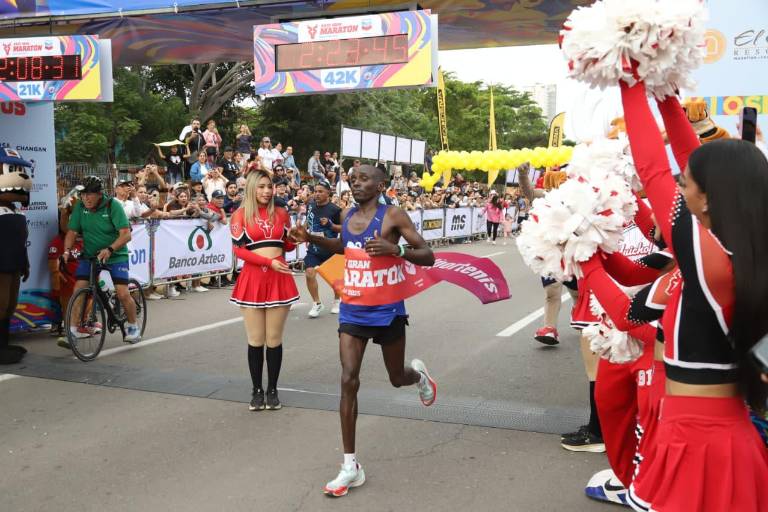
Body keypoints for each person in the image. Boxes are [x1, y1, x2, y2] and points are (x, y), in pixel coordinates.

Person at [609, 69, 768, 512]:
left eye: (686, 183)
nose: (677, 186)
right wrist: (665, 95)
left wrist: (628, 76)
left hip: (702, 442)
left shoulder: (712, 262)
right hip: (710, 431)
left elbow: (653, 167)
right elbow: (689, 161)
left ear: (709, 197)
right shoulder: (741, 254)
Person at [290, 164, 438, 497]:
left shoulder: (393, 216)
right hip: (354, 308)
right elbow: (343, 246)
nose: (355, 183)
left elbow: (428, 255)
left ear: (380, 184)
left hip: (387, 310)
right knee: (348, 379)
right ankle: (350, 466)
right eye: (352, 179)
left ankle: (419, 376)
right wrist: (311, 238)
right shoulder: (348, 214)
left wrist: (397, 249)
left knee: (396, 377)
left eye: (363, 179)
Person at [230, 169, 299, 411]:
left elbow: (287, 246)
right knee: (255, 340)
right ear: (251, 188)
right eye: (261, 186)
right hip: (253, 279)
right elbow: (239, 250)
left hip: (280, 279)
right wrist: (269, 262)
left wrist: (296, 238)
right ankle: (257, 390)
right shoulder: (239, 215)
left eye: (269, 186)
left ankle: (272, 390)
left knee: (274, 339)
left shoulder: (281, 213)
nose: (267, 191)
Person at [61, 176, 141, 343]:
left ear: (99, 194)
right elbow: (72, 232)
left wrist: (110, 249)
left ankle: (133, 326)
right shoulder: (80, 207)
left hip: (116, 255)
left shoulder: (113, 205)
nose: (86, 198)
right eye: (83, 194)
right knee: (79, 289)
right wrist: (66, 251)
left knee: (122, 293)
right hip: (90, 255)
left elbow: (126, 235)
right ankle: (73, 332)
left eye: (90, 194)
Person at [303, 179, 342, 318]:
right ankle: (317, 303)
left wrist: (330, 224)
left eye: (320, 191)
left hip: (331, 248)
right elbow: (308, 222)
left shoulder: (335, 210)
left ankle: (337, 301)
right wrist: (302, 231)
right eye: (315, 191)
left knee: (335, 279)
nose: (317, 194)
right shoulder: (310, 206)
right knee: (309, 273)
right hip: (314, 248)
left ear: (328, 193)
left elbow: (343, 228)